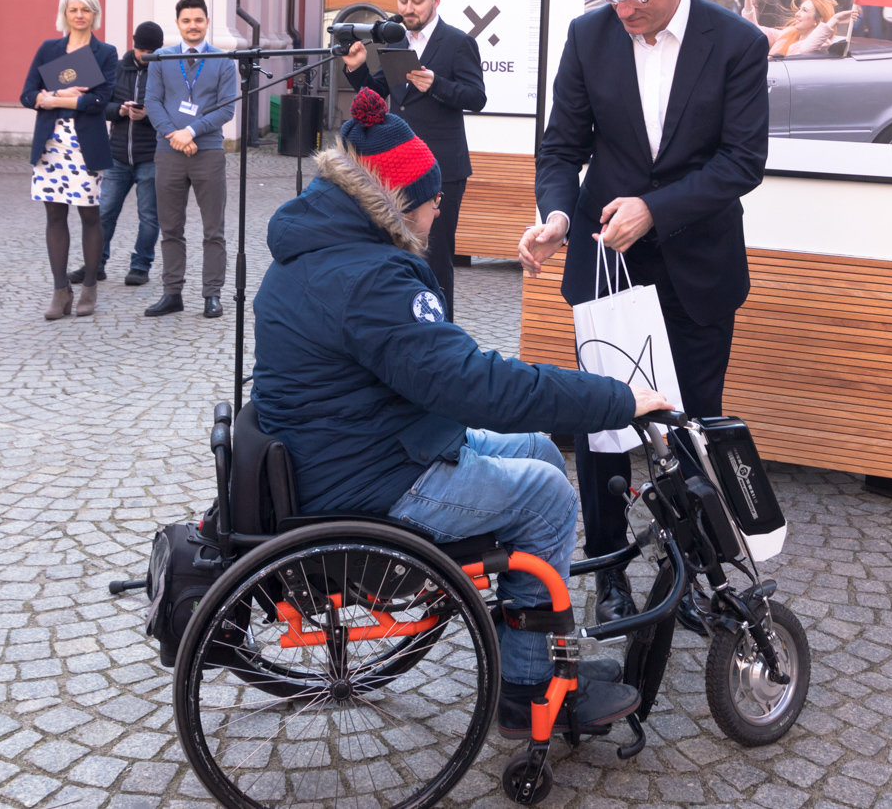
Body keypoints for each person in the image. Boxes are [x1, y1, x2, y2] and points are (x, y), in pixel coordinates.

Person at [252, 89, 672, 738]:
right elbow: (479, 386)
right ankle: (530, 688)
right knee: (549, 497)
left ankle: (521, 617)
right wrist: (615, 397)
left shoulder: (318, 250)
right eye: (434, 192)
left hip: (349, 446)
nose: (442, 202)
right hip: (367, 481)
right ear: (396, 199)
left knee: (534, 447)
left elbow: (443, 379)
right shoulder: (373, 279)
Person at [520, 0, 769, 633]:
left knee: (688, 429)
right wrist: (558, 217)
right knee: (603, 431)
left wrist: (655, 210)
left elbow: (741, 161)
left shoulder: (738, 43)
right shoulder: (586, 34)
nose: (621, 9)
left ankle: (688, 572)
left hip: (699, 269)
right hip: (604, 266)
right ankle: (608, 574)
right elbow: (561, 148)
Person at [340, 0, 488, 320]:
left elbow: (477, 97)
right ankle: (405, 327)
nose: (409, 8)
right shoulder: (396, 42)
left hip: (442, 169)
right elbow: (376, 94)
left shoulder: (458, 43)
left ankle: (442, 340)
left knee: (436, 257)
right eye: (403, 1)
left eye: (417, 1)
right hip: (396, 167)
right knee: (397, 252)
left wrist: (435, 84)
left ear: (435, 1)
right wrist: (357, 69)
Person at [20, 0, 119, 320]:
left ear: (95, 13)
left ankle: (90, 285)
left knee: (89, 214)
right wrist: (58, 93)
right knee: (54, 216)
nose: (79, 15)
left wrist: (54, 98)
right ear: (65, 13)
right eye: (74, 9)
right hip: (50, 144)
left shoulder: (105, 52)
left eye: (86, 9)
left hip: (84, 144)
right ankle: (60, 290)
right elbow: (27, 93)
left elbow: (99, 101)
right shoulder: (49, 49)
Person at [143, 0, 240, 319]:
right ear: (178, 24)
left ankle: (212, 294)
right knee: (170, 228)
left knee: (214, 229)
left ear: (207, 22)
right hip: (168, 151)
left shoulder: (223, 59)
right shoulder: (161, 58)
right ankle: (173, 293)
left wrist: (192, 132)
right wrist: (176, 135)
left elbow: (227, 106)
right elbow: (153, 102)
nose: (193, 26)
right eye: (186, 20)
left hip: (208, 151)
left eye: (198, 20)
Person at [73, 19, 163, 287]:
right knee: (104, 213)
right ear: (133, 46)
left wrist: (147, 115)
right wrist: (120, 111)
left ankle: (140, 266)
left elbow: (170, 111)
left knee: (149, 216)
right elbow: (103, 104)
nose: (143, 55)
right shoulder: (117, 67)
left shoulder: (164, 71)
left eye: (149, 51)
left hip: (151, 156)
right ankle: (95, 264)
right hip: (117, 156)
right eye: (140, 50)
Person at [742, 0, 857, 57]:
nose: (797, 14)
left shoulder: (822, 44)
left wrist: (834, 20)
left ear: (818, 21)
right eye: (799, 9)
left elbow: (805, 49)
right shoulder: (786, 33)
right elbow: (753, 30)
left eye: (804, 10)